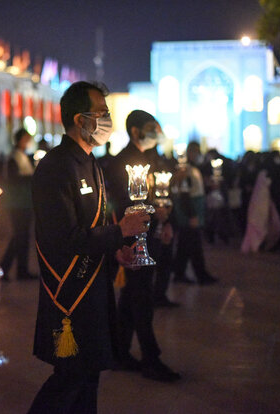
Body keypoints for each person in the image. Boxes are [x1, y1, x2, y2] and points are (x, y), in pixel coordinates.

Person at [28, 81, 149, 414]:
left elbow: (93, 227)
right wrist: (119, 230)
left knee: (89, 376)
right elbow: (62, 238)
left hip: (95, 285)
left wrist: (116, 250)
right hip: (69, 291)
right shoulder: (55, 167)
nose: (107, 119)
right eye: (102, 113)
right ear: (80, 120)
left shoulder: (90, 162)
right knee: (70, 379)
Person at [104, 109, 180, 382]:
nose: (156, 133)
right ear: (135, 131)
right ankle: (151, 357)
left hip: (148, 235)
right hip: (131, 241)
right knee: (141, 299)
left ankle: (120, 352)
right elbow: (121, 206)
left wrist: (165, 219)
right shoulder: (120, 162)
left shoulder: (151, 158)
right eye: (151, 128)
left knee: (132, 298)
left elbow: (158, 195)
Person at [172, 141, 218, 284]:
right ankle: (201, 275)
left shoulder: (193, 169)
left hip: (192, 209)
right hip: (188, 213)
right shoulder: (185, 171)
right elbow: (185, 194)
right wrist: (192, 215)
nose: (197, 155)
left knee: (184, 246)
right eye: (194, 151)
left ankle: (179, 273)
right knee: (195, 245)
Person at [0, 128, 37, 280]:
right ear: (20, 139)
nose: (28, 142)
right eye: (26, 139)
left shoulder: (22, 156)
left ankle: (22, 270)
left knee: (23, 236)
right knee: (18, 236)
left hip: (24, 202)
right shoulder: (13, 157)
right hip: (16, 203)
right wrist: (30, 178)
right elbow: (12, 179)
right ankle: (4, 268)